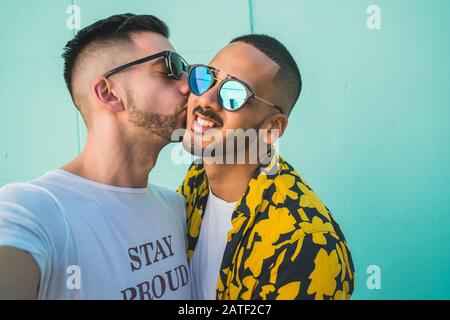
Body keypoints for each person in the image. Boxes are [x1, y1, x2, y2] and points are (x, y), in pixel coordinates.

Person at [0, 13, 192, 300]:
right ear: (109, 93)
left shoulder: (176, 209)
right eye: (170, 69)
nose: (188, 85)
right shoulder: (31, 211)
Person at [178, 34, 355, 300]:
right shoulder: (196, 181)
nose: (206, 101)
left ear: (272, 128)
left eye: (234, 93)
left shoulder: (305, 244)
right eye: (206, 78)